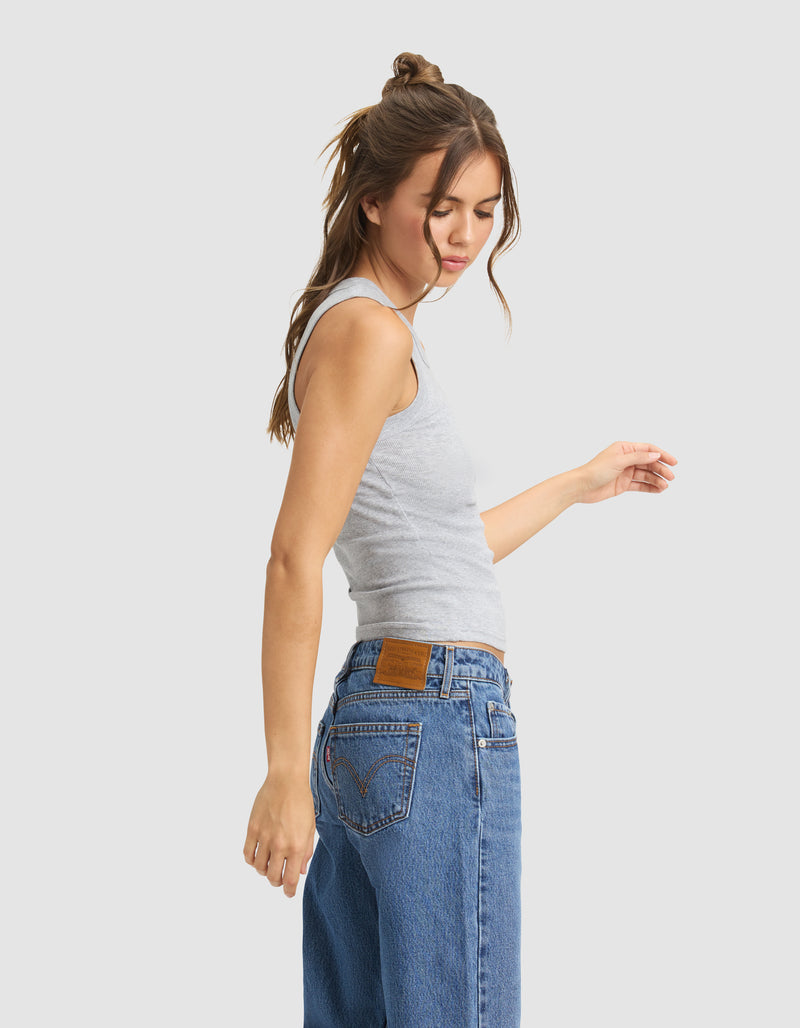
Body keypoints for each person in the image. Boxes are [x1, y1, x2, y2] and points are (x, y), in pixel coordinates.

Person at [243, 52, 677, 1028]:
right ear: (369, 201)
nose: (465, 235)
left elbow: (431, 551)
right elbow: (290, 556)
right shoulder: (373, 334)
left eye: (484, 210)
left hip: (377, 715)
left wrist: (576, 483)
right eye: (441, 206)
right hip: (435, 716)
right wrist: (276, 768)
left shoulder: (352, 328)